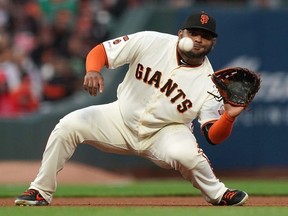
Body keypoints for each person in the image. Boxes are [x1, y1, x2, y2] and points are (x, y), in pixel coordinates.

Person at [15, 11, 248, 206]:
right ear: (181, 34)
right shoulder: (151, 41)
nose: (198, 39)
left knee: (187, 155)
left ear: (213, 43)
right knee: (67, 126)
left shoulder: (210, 82)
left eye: (205, 36)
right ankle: (40, 191)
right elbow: (102, 51)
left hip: (166, 132)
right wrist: (93, 70)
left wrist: (228, 116)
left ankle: (218, 194)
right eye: (194, 33)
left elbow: (213, 137)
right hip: (120, 117)